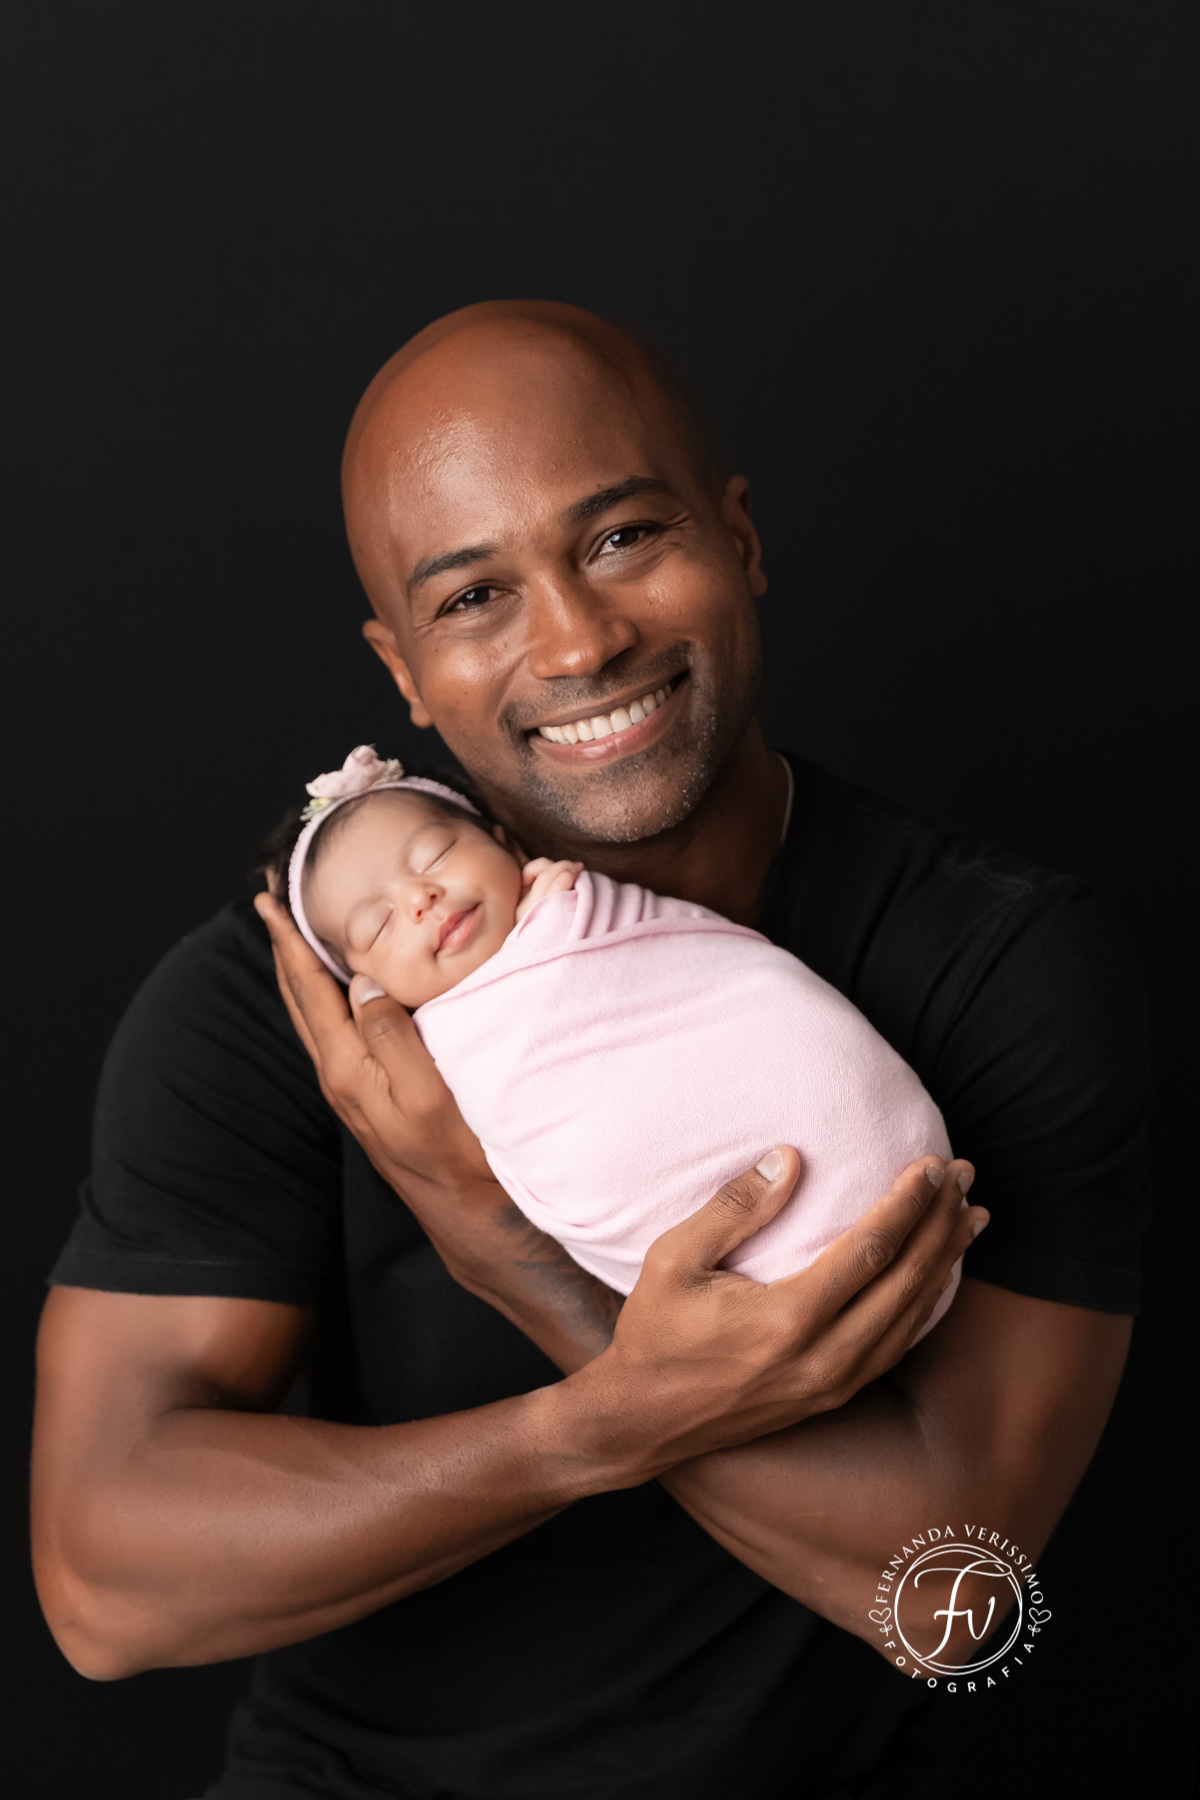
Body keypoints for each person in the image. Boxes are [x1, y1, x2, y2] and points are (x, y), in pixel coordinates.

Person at [32, 301, 1149, 1800]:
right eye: (474, 597)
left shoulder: (996, 961)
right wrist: (590, 1430)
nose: (578, 640)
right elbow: (104, 1589)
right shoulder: (288, 1004)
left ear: (740, 538)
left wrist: (515, 1255)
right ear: (404, 673)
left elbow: (954, 1604)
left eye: (623, 537)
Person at [264, 744, 961, 1308]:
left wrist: (557, 914)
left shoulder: (578, 906)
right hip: (748, 1279)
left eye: (435, 856)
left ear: (503, 842)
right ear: (369, 988)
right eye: (379, 923)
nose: (420, 898)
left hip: (878, 1150)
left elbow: (711, 986)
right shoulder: (434, 1053)